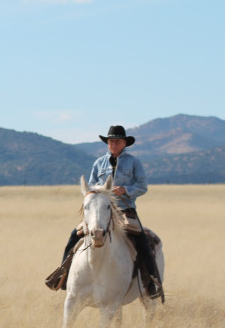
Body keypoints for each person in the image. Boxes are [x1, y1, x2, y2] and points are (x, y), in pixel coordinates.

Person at [45, 125, 164, 302]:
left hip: (125, 210)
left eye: (117, 140)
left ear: (125, 143)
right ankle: (63, 275)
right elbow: (89, 188)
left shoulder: (134, 162)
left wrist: (126, 189)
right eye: (111, 141)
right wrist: (96, 196)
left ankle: (152, 281)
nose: (114, 143)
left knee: (141, 240)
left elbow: (142, 186)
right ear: (107, 143)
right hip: (100, 211)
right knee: (74, 236)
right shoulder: (98, 163)